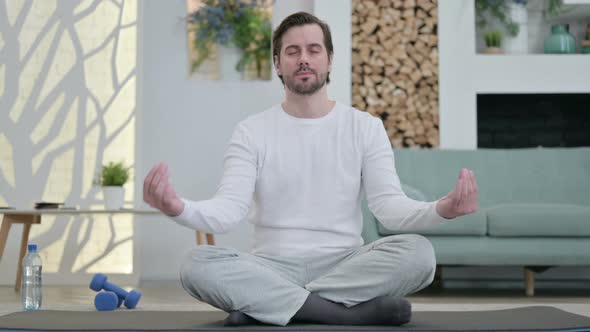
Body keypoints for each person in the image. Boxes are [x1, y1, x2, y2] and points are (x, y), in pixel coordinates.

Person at [143, 11, 478, 327]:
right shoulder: (251, 131)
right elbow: (228, 211)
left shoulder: (365, 127)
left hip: (345, 263)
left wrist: (442, 209)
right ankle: (346, 315)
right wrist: (178, 208)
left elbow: (388, 209)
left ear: (329, 59)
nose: (303, 58)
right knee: (196, 264)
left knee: (420, 255)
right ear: (277, 63)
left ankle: (267, 308)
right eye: (292, 51)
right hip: (270, 266)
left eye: (313, 50)